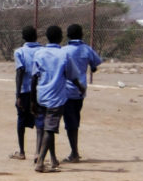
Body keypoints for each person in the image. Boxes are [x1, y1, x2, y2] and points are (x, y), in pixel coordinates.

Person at [31, 25, 84, 173]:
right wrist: (80, 87)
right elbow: (72, 76)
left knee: (48, 128)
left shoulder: (39, 53)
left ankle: (53, 159)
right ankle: (40, 162)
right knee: (50, 129)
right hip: (56, 98)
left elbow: (34, 78)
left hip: (41, 95)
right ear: (61, 38)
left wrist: (32, 100)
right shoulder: (64, 55)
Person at [61, 23, 102, 162]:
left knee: (69, 122)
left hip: (66, 90)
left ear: (67, 36)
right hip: (81, 90)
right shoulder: (87, 49)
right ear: (82, 35)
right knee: (75, 119)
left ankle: (74, 153)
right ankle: (74, 151)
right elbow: (95, 65)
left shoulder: (64, 50)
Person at [11, 26, 41, 160]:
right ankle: (38, 151)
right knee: (40, 119)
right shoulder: (43, 50)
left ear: (23, 37)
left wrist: (17, 94)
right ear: (36, 36)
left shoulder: (20, 52)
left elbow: (20, 72)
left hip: (24, 90)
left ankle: (22, 151)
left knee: (21, 119)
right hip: (40, 90)